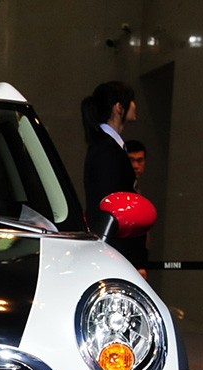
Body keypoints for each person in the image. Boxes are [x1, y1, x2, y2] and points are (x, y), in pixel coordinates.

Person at [80, 81, 148, 272]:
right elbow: (111, 211)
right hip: (114, 255)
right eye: (131, 100)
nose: (134, 105)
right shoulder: (107, 150)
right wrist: (133, 261)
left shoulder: (108, 146)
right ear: (119, 107)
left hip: (115, 254)